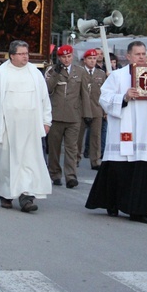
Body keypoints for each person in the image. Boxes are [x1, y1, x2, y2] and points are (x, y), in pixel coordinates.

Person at [85, 40, 147, 224]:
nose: (141, 57)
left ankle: (139, 211)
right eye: (137, 54)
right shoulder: (117, 76)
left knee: (144, 170)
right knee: (119, 169)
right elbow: (105, 98)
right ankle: (113, 203)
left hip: (146, 131)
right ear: (128, 56)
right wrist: (124, 97)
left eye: (144, 54)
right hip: (124, 129)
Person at [0, 40, 52, 212]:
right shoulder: (1, 74)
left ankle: (27, 197)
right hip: (7, 127)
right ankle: (6, 194)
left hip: (30, 127)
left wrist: (46, 121)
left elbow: (44, 99)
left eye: (27, 53)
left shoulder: (35, 73)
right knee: (6, 164)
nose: (25, 57)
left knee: (28, 162)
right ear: (12, 55)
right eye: (21, 54)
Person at [45, 44, 91, 188]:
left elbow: (85, 94)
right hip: (56, 115)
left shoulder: (80, 71)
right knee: (54, 148)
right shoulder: (52, 70)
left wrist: (87, 114)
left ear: (73, 56)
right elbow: (48, 89)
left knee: (72, 148)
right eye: (63, 57)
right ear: (59, 57)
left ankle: (71, 176)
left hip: (74, 116)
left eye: (69, 56)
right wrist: (56, 73)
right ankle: (55, 174)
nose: (66, 59)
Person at [77, 49, 106, 170]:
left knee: (96, 136)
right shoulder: (79, 72)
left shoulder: (101, 74)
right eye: (90, 58)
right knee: (78, 137)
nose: (92, 61)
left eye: (94, 59)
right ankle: (76, 158)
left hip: (96, 108)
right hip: (81, 109)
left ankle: (95, 160)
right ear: (84, 60)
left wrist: (105, 111)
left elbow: (104, 93)